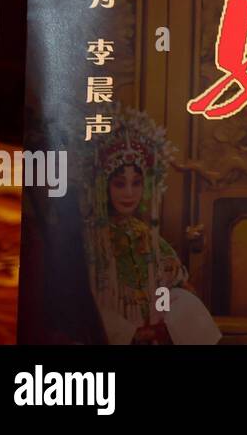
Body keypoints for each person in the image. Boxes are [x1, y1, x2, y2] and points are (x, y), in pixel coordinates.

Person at [79, 108, 221, 345]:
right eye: (119, 184)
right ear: (105, 186)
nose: (129, 193)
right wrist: (128, 333)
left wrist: (164, 322)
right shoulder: (89, 239)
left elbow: (170, 287)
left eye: (136, 183)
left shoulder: (147, 235)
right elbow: (82, 303)